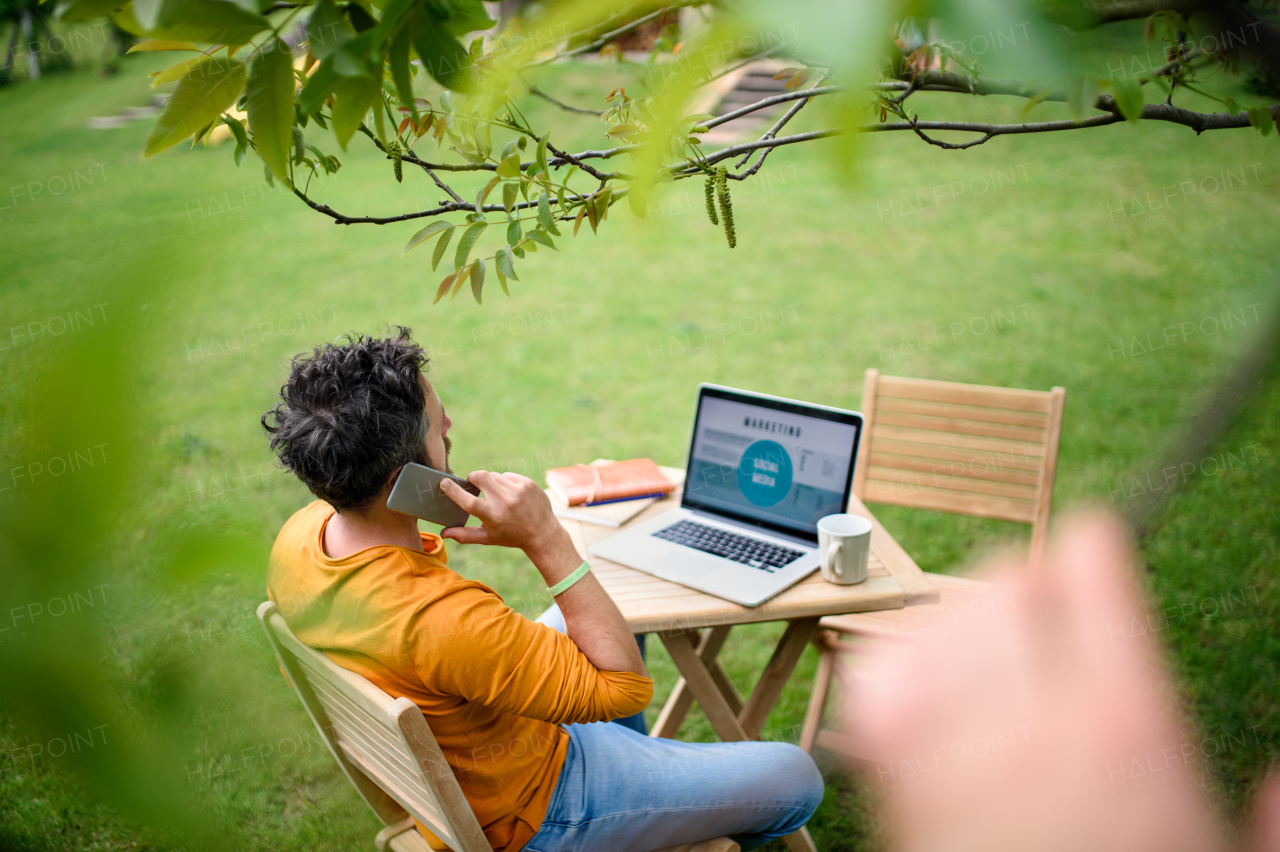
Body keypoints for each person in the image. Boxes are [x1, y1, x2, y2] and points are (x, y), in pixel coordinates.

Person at [261, 329, 823, 852]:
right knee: (796, 776)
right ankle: (642, 800)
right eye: (438, 424)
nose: (451, 423)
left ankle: (650, 779)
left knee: (603, 616)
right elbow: (624, 687)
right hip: (537, 811)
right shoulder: (444, 620)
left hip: (481, 756)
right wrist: (545, 537)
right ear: (402, 483)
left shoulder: (301, 538)